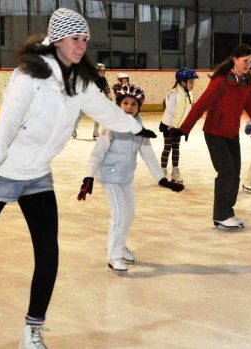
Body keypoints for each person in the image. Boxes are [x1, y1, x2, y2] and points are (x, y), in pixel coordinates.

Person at [0, 8, 156, 349]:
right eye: (76, 39)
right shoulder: (29, 75)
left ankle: (32, 331)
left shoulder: (79, 80)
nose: (82, 46)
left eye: (85, 40)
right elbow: (8, 120)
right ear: (58, 39)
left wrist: (138, 127)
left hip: (37, 177)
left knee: (48, 255)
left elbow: (107, 111)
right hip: (2, 172)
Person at [77, 84, 184, 275]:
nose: (129, 107)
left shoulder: (139, 128)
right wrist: (88, 177)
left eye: (133, 104)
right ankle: (113, 255)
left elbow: (148, 154)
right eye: (125, 103)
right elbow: (97, 154)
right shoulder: (111, 127)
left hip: (125, 177)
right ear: (118, 105)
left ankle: (119, 244)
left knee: (130, 213)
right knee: (119, 214)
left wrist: (162, 179)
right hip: (109, 176)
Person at [170, 44, 251, 231]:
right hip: (214, 132)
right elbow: (201, 105)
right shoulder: (221, 81)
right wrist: (184, 129)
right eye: (245, 61)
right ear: (235, 59)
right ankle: (221, 215)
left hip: (231, 133)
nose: (248, 65)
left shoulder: (246, 85)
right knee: (226, 172)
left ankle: (228, 211)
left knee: (234, 173)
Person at [159, 67, 199, 184]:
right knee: (168, 147)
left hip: (179, 126)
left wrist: (184, 127)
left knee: (176, 148)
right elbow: (170, 112)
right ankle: (162, 172)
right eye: (191, 82)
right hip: (168, 125)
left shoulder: (189, 94)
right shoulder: (174, 94)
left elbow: (187, 112)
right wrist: (171, 126)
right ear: (182, 82)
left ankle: (175, 171)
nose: (193, 84)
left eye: (193, 82)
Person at [72, 62, 110, 139]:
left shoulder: (104, 80)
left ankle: (95, 132)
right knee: (81, 114)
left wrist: (108, 99)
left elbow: (106, 91)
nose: (103, 73)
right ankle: (73, 128)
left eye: (104, 71)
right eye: (101, 71)